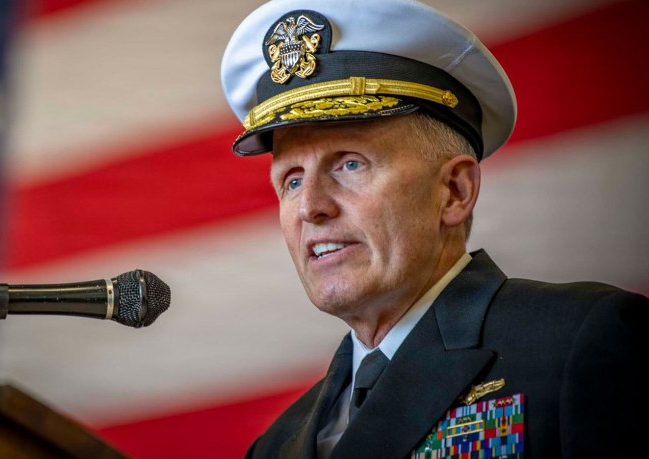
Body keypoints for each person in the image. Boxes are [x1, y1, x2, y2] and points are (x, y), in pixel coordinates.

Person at [219, 0, 648, 458]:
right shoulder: (275, 445)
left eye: (349, 164)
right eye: (293, 179)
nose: (310, 207)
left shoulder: (582, 343)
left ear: (453, 191)